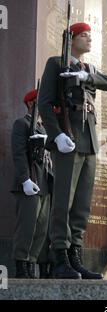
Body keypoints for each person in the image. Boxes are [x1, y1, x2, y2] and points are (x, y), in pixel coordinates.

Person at [38, 22, 107, 279]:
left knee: (82, 205)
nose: (89, 40)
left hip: (90, 143)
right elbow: (44, 103)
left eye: (90, 35)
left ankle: (75, 255)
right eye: (84, 35)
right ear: (71, 39)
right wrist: (58, 135)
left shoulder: (89, 69)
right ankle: (60, 257)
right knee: (63, 201)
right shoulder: (56, 63)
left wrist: (88, 77)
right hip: (68, 141)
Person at [11, 89, 52, 278]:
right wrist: (25, 180)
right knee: (27, 227)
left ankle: (31, 263)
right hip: (30, 182)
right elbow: (19, 154)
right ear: (30, 104)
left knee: (41, 229)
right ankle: (21, 265)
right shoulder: (22, 124)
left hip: (44, 184)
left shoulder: (43, 129)